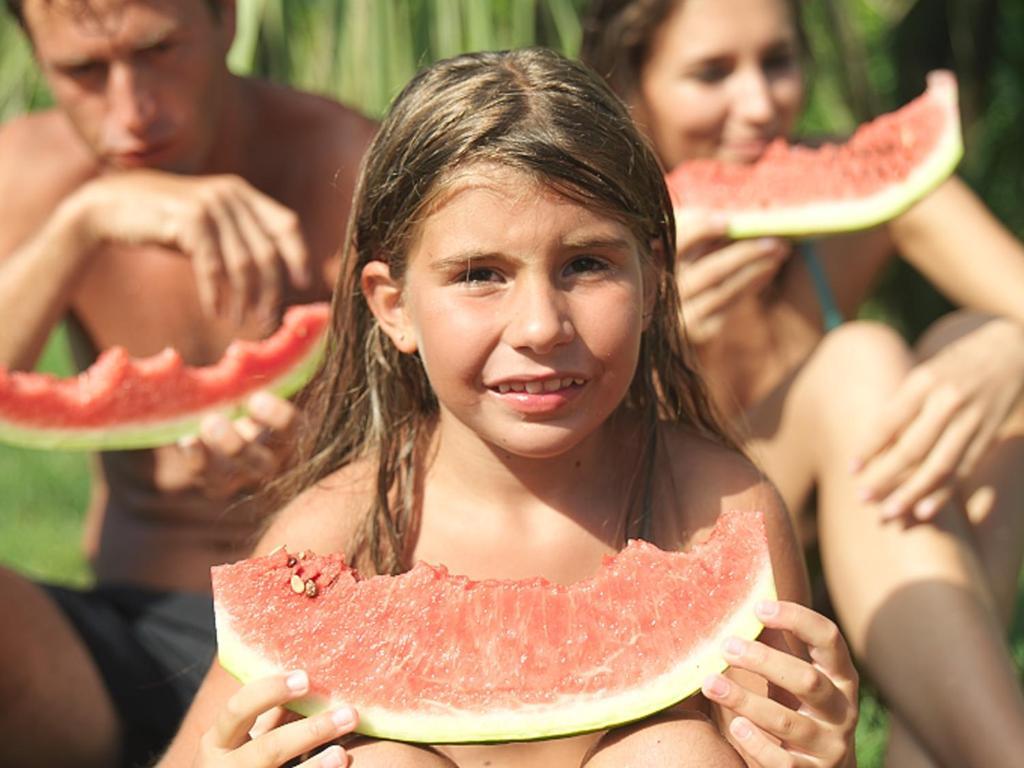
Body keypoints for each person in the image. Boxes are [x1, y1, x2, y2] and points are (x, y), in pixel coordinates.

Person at [156, 48, 859, 767]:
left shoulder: (720, 515)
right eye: (480, 275)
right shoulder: (332, 536)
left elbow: (782, 742)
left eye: (586, 264)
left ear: (652, 282)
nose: (539, 326)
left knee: (677, 753)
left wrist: (823, 757)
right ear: (393, 308)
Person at [580, 1, 1024, 766]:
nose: (759, 105)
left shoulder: (845, 187)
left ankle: (943, 740)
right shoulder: (582, 239)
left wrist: (1009, 350)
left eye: (777, 62)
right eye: (711, 72)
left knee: (977, 352)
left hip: (864, 547)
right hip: (660, 564)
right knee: (863, 358)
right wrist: (646, 342)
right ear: (628, 87)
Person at [0, 1, 377, 766]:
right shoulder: (28, 173)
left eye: (161, 50)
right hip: (118, 648)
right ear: (34, 55)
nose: (131, 109)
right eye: (83, 72)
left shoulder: (352, 166)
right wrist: (80, 226)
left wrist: (315, 469)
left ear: (226, 19)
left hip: (328, 642)